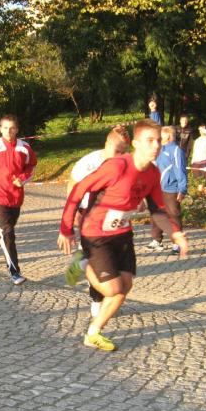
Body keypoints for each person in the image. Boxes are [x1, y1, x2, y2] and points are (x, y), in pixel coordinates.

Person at [58, 119, 188, 351]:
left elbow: (158, 210)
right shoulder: (117, 166)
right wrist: (66, 229)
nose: (156, 145)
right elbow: (79, 190)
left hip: (122, 234)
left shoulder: (153, 173)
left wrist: (175, 233)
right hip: (95, 233)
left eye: (159, 141)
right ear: (136, 144)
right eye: (150, 140)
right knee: (113, 290)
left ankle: (93, 328)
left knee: (125, 287)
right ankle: (84, 266)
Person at [63, 125, 130, 318]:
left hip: (115, 217)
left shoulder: (126, 163)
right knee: (99, 261)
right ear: (106, 144)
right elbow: (73, 186)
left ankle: (81, 261)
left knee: (111, 260)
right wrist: (74, 213)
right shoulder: (89, 162)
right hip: (89, 215)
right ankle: (96, 300)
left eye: (123, 152)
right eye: (117, 151)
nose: (120, 156)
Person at [0, 115, 37, 284]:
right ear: (0, 129)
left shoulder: (24, 148)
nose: (8, 131)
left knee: (2, 229)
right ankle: (14, 272)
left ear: (17, 129)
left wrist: (22, 178)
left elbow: (32, 165)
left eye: (12, 128)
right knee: (8, 232)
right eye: (5, 128)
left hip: (16, 197)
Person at [148, 125, 187, 254]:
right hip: (158, 188)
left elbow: (180, 170)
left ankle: (177, 244)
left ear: (169, 136)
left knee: (173, 215)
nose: (159, 138)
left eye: (161, 135)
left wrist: (182, 189)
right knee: (156, 214)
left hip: (171, 188)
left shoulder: (176, 150)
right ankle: (156, 240)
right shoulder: (160, 149)